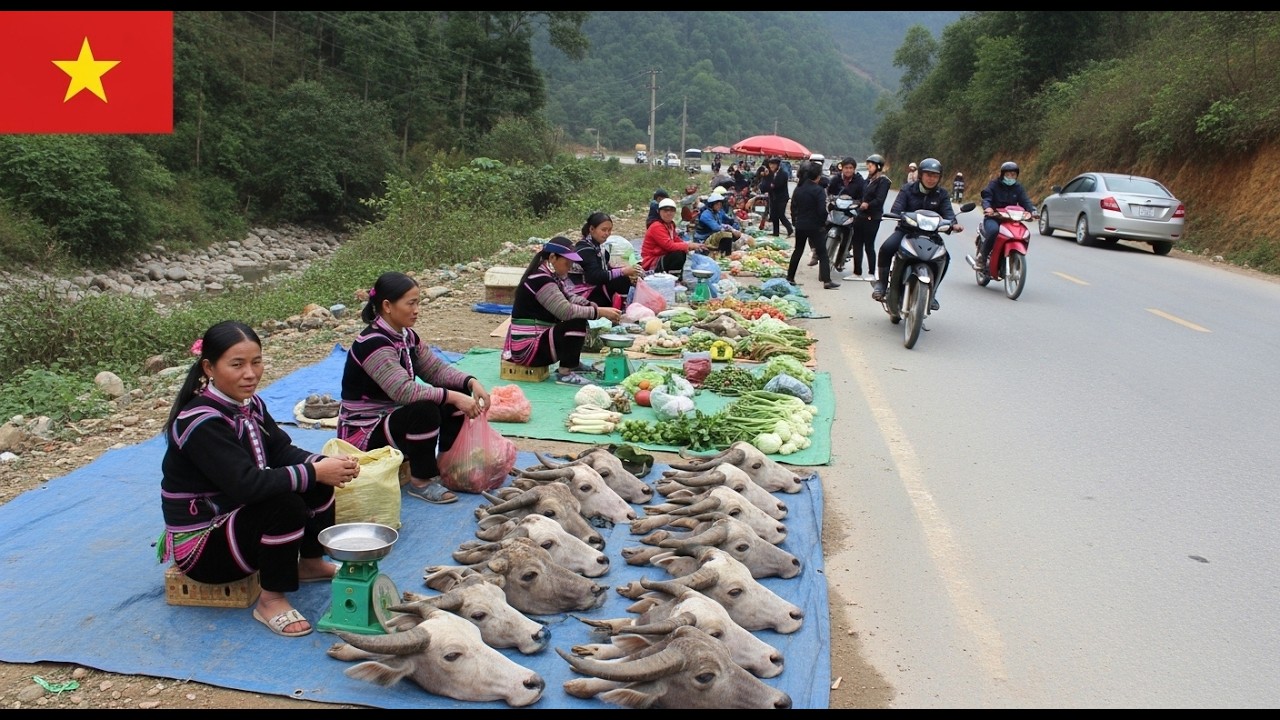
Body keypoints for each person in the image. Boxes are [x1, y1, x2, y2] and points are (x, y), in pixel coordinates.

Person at [159, 321, 357, 638]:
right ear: (209, 367)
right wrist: (314, 471)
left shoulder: (250, 405)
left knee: (316, 480)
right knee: (285, 503)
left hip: (235, 519)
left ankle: (309, 563)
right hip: (204, 547)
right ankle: (271, 600)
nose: (250, 373)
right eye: (237, 365)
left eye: (256, 361)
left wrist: (323, 464)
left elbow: (280, 450)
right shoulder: (201, 421)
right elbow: (246, 485)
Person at [339, 272, 491, 506]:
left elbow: (436, 371)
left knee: (452, 398)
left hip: (390, 419)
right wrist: (453, 397)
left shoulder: (407, 336)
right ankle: (421, 481)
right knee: (426, 408)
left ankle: (447, 467)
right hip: (364, 431)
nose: (417, 309)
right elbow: (404, 392)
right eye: (411, 303)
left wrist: (470, 383)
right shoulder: (373, 343)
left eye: (417, 302)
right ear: (387, 306)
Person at [504, 239, 623, 387]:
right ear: (553, 258)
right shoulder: (540, 280)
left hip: (536, 342)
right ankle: (565, 373)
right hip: (528, 349)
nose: (570, 267)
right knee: (576, 320)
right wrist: (598, 312)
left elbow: (570, 297)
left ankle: (573, 364)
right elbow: (565, 311)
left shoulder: (550, 277)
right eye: (567, 263)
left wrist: (595, 307)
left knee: (580, 315)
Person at [871, 157, 963, 311]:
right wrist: (898, 215)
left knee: (945, 258)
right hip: (906, 231)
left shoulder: (942, 194)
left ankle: (932, 293)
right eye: (928, 175)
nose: (931, 179)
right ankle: (881, 284)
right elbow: (897, 209)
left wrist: (953, 224)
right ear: (920, 175)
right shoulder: (908, 189)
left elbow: (949, 215)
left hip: (931, 235)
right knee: (887, 248)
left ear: (939, 177)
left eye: (935, 176)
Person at [570, 211, 641, 310]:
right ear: (591, 229)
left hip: (593, 287)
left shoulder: (597, 247)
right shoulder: (585, 250)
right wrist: (622, 271)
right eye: (603, 230)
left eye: (609, 230)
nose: (607, 234)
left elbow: (605, 269)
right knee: (620, 280)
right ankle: (624, 309)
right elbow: (594, 276)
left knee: (623, 278)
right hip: (581, 293)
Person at [787, 161, 839, 289]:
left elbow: (793, 207)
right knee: (822, 253)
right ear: (818, 176)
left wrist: (795, 222)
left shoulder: (799, 188)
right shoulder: (819, 190)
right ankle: (826, 281)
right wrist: (823, 223)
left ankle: (790, 277)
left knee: (798, 250)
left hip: (800, 225)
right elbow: (822, 211)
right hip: (815, 226)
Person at [977, 162, 1038, 268]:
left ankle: (1014, 257)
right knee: (993, 231)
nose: (1010, 177)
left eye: (1013, 175)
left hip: (1011, 219)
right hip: (994, 217)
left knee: (1024, 233)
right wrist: (988, 208)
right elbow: (987, 197)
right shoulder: (994, 184)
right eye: (1008, 175)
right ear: (1002, 175)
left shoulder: (1018, 187)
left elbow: (1026, 201)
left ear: (1017, 176)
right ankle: (982, 257)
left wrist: (1032, 211)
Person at [844, 153, 892, 281]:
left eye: (871, 166)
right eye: (868, 166)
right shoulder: (867, 180)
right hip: (860, 215)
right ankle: (857, 272)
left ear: (878, 166)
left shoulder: (883, 181)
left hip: (873, 216)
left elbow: (879, 199)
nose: (868, 168)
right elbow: (861, 195)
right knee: (857, 243)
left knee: (869, 245)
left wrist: (868, 204)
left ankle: (871, 272)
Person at [642, 197, 708, 276]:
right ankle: (674, 278)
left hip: (663, 256)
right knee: (678, 254)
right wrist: (688, 245)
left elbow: (676, 239)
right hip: (652, 261)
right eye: (665, 210)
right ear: (659, 212)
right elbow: (668, 245)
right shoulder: (656, 226)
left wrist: (691, 245)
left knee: (682, 251)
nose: (669, 213)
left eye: (671, 210)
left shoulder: (670, 225)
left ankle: (677, 277)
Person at [825, 156, 867, 272]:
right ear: (842, 168)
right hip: (836, 209)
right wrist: (830, 199)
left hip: (850, 212)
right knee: (824, 225)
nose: (848, 170)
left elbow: (863, 195)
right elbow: (829, 192)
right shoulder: (836, 179)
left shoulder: (859, 181)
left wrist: (861, 203)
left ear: (854, 169)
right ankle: (817, 252)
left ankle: (842, 257)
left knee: (849, 232)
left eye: (850, 168)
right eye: (846, 168)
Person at [759, 157, 794, 238]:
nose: (771, 166)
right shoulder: (770, 173)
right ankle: (776, 232)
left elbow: (775, 185)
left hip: (782, 198)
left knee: (781, 215)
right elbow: (765, 186)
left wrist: (769, 184)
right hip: (773, 197)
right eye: (770, 164)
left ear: (777, 165)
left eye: (773, 164)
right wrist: (765, 177)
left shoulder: (783, 174)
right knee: (774, 215)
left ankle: (790, 229)